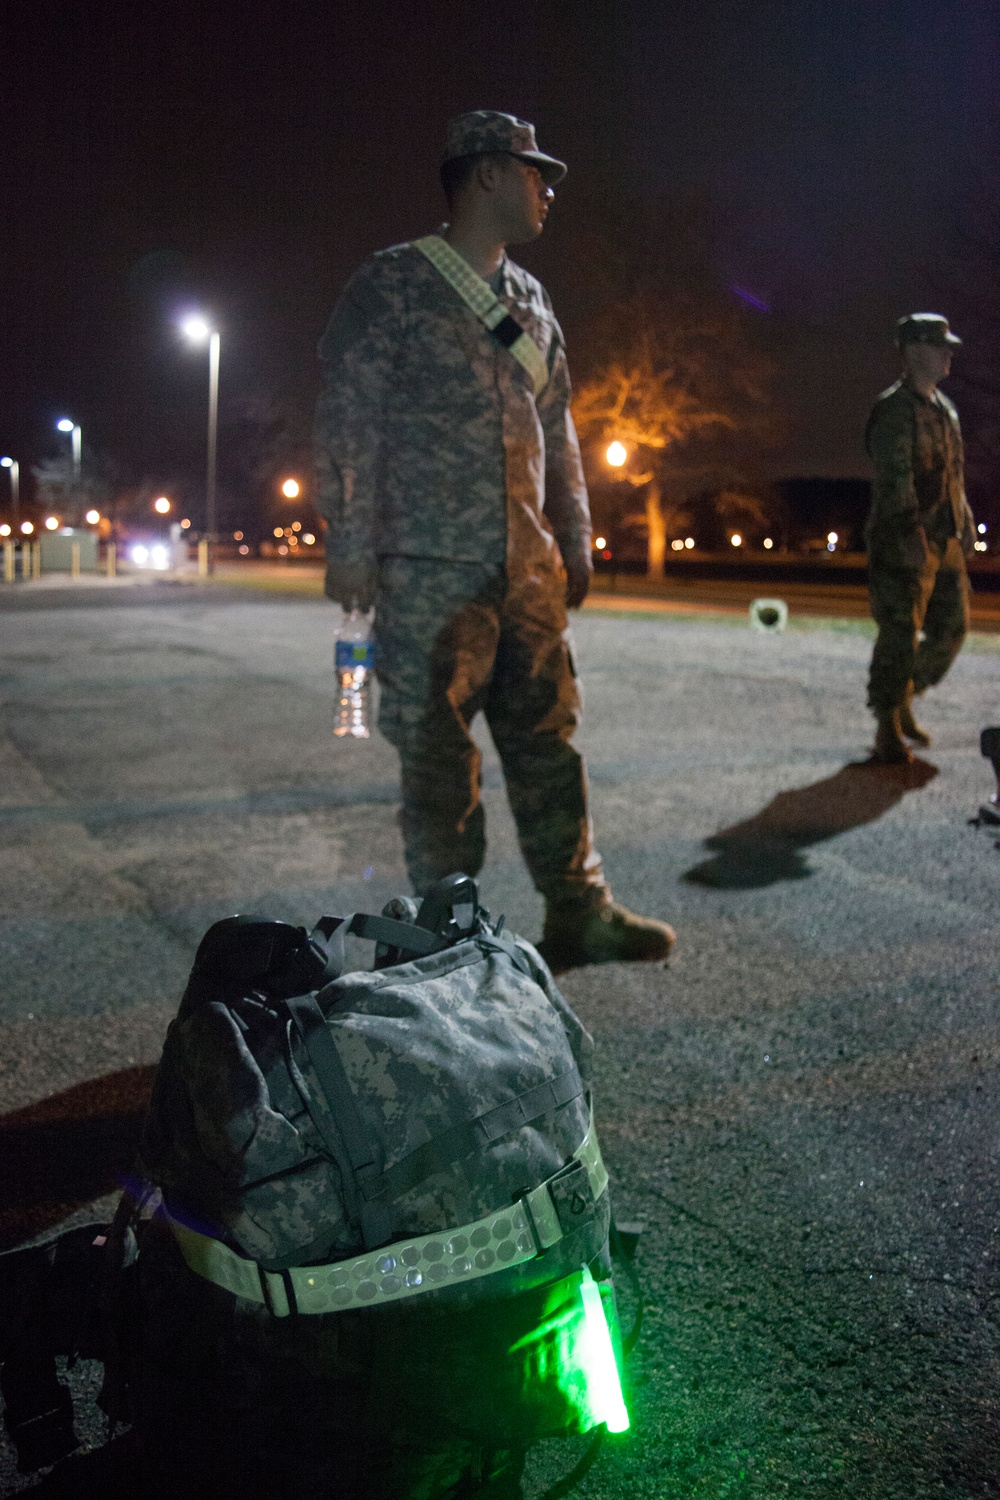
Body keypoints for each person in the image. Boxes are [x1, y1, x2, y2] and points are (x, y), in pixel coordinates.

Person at [315, 110, 675, 968]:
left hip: (528, 568)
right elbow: (345, 417)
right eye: (532, 171)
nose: (547, 188)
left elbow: (560, 426)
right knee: (438, 762)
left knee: (550, 742)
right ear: (483, 174)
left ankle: (578, 909)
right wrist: (348, 537)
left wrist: (577, 533)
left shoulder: (533, 301)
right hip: (428, 568)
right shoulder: (392, 283)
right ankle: (444, 936)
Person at [864, 313, 976, 764]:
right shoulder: (894, 409)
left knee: (953, 628)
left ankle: (904, 694)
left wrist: (963, 519)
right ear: (912, 353)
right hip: (904, 540)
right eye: (939, 346)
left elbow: (954, 474)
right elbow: (895, 479)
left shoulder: (944, 409)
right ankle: (886, 722)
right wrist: (910, 533)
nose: (949, 353)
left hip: (944, 539)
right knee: (900, 632)